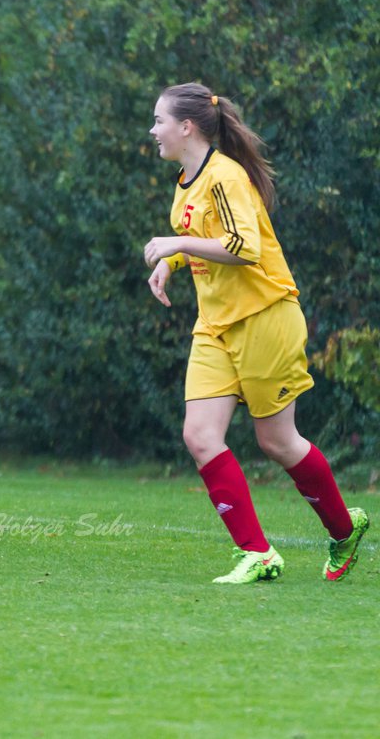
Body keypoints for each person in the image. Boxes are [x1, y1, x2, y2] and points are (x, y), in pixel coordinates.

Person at [143, 82, 369, 584]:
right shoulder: (186, 179)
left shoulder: (225, 176)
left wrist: (174, 243)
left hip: (266, 316)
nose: (153, 131)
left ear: (187, 127)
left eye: (159, 121)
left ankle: (343, 529)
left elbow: (244, 246)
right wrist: (173, 263)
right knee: (199, 435)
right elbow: (206, 237)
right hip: (216, 326)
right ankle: (259, 554)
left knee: (277, 442)